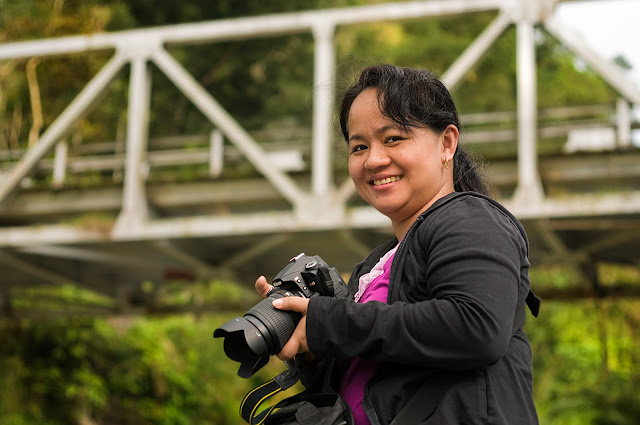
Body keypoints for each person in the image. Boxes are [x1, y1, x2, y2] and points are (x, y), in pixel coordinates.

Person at [255, 64, 539, 425]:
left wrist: (331, 323)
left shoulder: (471, 219)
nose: (374, 160)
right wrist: (311, 346)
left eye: (392, 139)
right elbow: (378, 375)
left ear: (447, 143)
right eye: (359, 146)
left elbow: (476, 329)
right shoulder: (375, 264)